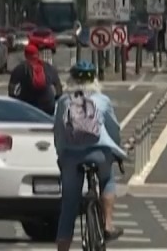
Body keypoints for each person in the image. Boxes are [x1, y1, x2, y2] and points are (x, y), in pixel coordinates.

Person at [53, 60, 127, 251]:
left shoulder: (63, 101)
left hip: (71, 157)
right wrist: (115, 149)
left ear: (71, 79)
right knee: (107, 179)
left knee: (69, 204)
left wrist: (61, 155)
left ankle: (63, 247)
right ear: (94, 79)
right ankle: (108, 224)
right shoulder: (102, 100)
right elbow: (113, 129)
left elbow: (59, 132)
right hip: (99, 153)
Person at [9, 43, 63, 115]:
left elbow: (11, 87)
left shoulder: (21, 68)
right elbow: (58, 87)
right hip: (47, 104)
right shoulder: (48, 67)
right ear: (38, 54)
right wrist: (55, 98)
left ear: (25, 55)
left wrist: (15, 99)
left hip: (28, 105)